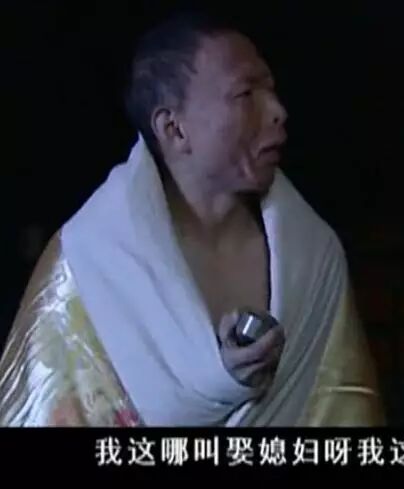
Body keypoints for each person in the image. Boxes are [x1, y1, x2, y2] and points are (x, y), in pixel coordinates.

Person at [0, 11, 384, 426]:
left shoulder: (313, 256)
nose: (277, 111)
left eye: (271, 90)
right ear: (174, 128)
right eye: (246, 94)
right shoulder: (87, 261)